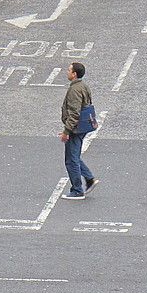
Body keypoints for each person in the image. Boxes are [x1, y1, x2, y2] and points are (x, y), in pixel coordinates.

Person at [59, 61, 99, 200]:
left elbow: (75, 113)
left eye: (69, 70)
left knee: (71, 160)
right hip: (82, 127)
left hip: (76, 129)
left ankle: (77, 190)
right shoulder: (83, 86)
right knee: (74, 157)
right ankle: (89, 179)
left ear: (74, 74)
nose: (67, 71)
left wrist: (66, 131)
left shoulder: (74, 90)